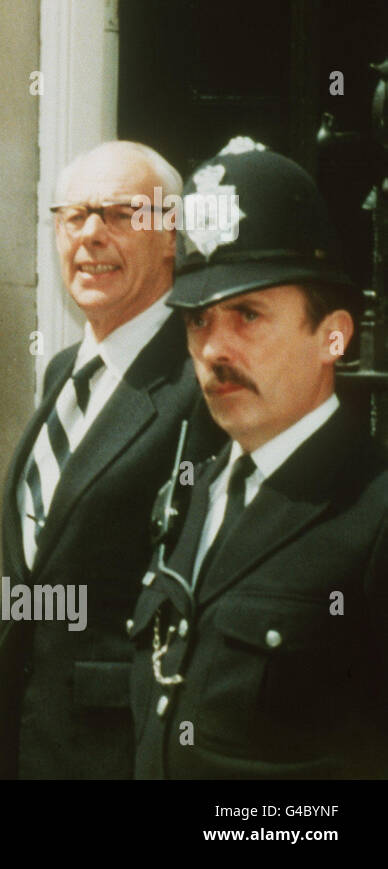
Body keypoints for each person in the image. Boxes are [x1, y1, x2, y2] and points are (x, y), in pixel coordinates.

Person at [128, 138, 388, 778]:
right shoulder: (192, 490)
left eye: (247, 314)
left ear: (333, 337)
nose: (213, 349)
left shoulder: (371, 511)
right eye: (197, 320)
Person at [0, 141, 223, 779]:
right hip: (23, 737)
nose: (91, 234)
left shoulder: (198, 385)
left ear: (170, 235)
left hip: (119, 749)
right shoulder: (64, 372)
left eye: (119, 214)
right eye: (75, 216)